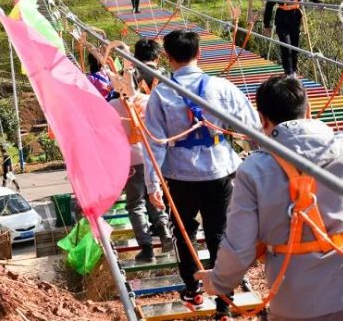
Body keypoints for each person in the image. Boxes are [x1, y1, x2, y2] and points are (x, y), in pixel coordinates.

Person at [195, 75, 343, 321]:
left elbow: (239, 248)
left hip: (292, 306)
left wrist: (218, 282)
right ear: (309, 110)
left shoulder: (253, 170)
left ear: (262, 120)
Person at [142, 30, 260, 315]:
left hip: (179, 174)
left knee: (184, 232)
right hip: (220, 170)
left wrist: (152, 183)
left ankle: (193, 289)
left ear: (167, 58)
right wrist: (258, 159)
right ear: (199, 54)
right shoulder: (222, 87)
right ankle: (224, 301)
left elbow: (154, 143)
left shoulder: (161, 93)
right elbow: (251, 124)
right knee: (219, 233)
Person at [109, 41, 173, 261]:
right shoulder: (148, 101)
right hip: (152, 155)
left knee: (135, 203)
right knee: (155, 195)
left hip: (130, 160)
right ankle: (164, 231)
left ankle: (146, 247)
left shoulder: (112, 107)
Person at [263, 0, 321, 77]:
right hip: (282, 18)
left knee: (295, 48)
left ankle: (293, 71)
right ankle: (289, 73)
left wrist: (319, 3)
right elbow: (269, 5)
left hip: (295, 18)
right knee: (286, 46)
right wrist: (266, 25)